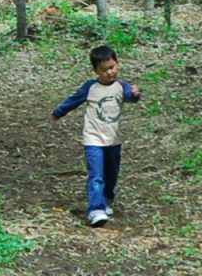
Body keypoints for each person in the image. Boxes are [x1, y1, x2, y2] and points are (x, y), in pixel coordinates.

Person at [50, 45, 142, 227]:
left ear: (117, 64)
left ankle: (107, 198)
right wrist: (58, 112)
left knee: (112, 173)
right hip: (93, 139)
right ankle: (95, 210)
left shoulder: (121, 86)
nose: (110, 72)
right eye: (104, 70)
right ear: (95, 70)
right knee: (96, 175)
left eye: (112, 67)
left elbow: (131, 97)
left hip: (113, 139)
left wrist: (136, 94)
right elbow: (73, 100)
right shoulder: (90, 87)